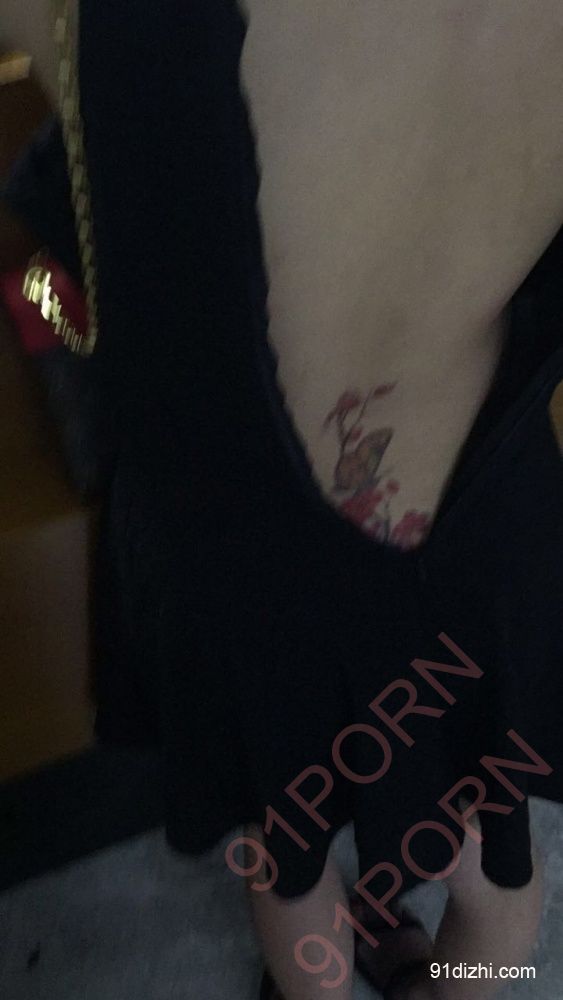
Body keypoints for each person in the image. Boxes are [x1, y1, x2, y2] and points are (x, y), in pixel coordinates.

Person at [3, 3, 563, 998]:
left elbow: (72, 294)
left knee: (291, 860)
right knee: (494, 856)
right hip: (492, 525)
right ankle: (455, 985)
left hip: (255, 570)